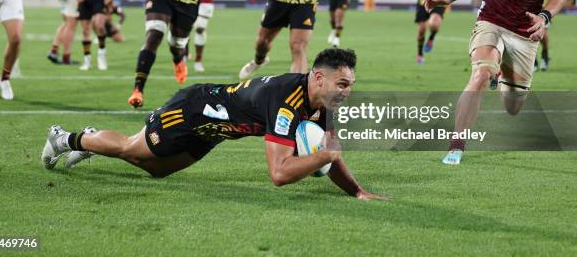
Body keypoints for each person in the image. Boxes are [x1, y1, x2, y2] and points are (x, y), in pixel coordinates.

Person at [42, 48, 387, 201]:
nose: (347, 92)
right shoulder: (286, 100)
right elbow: (280, 174)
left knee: (156, 171)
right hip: (193, 110)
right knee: (132, 148)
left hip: (217, 132)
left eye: (350, 85)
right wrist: (323, 157)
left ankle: (89, 142)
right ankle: (67, 139)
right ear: (318, 77)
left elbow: (333, 153)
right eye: (342, 84)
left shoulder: (322, 103)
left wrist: (357, 191)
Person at [424, 0, 568, 165]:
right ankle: (457, 145)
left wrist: (545, 17)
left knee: (513, 106)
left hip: (524, 33)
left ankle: (502, 71)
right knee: (480, 74)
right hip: (491, 19)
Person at [192, 0, 218, 72]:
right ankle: (184, 54)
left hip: (205, 1)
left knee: (200, 29)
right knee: (182, 28)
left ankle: (198, 61)